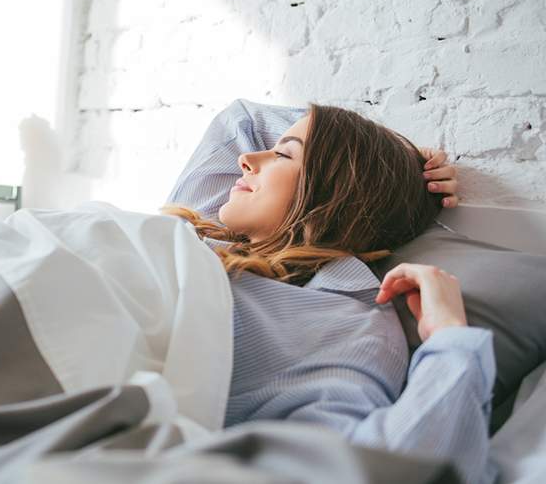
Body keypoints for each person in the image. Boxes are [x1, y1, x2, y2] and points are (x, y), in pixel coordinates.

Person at [163, 99, 496, 484]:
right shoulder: (213, 226)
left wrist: (450, 339)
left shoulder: (346, 321)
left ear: (337, 194)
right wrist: (399, 158)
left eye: (283, 155)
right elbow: (243, 120)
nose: (247, 158)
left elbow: (388, 466)